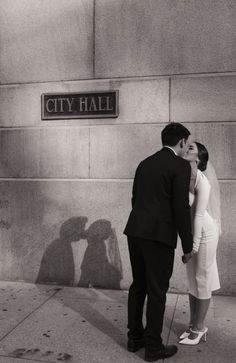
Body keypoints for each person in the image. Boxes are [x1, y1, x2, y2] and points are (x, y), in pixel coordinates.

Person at [124, 122, 194, 362]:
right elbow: (181, 208)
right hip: (159, 236)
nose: (187, 148)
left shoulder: (145, 163)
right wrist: (187, 245)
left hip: (135, 231)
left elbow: (135, 198)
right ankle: (153, 347)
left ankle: (135, 338)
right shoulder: (181, 166)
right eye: (187, 144)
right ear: (182, 141)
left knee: (138, 286)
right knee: (156, 291)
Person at [179, 142, 221, 345]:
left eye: (191, 148)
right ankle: (192, 323)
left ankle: (200, 327)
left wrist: (192, 247)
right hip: (191, 232)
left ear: (199, 158)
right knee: (192, 280)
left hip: (204, 233)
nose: (186, 149)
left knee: (202, 279)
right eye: (187, 146)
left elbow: (197, 215)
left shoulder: (203, 181)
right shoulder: (184, 175)